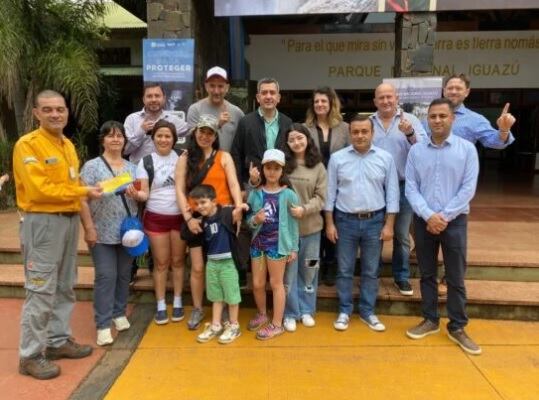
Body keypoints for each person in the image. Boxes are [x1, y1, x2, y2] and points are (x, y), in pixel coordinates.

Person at [13, 90, 102, 380]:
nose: (55, 115)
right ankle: (30, 355)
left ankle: (56, 341)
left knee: (65, 284)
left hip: (67, 222)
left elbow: (70, 188)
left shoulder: (66, 146)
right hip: (42, 224)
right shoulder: (28, 145)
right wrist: (83, 192)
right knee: (40, 289)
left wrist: (87, 223)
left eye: (60, 109)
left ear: (67, 112)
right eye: (48, 110)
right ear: (36, 113)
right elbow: (39, 190)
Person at [405, 98, 481, 355]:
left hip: (455, 221)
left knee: (456, 276)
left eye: (442, 116)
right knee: (426, 273)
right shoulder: (416, 151)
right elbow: (411, 187)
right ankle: (430, 319)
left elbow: (468, 189)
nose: (437, 120)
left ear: (453, 119)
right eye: (433, 116)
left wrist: (443, 217)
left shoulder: (467, 149)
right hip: (424, 221)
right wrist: (428, 215)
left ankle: (458, 326)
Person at [437, 73, 516, 295]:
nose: (453, 91)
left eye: (458, 88)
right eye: (450, 87)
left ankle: (449, 278)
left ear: (467, 92)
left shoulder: (474, 119)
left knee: (454, 238)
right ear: (443, 91)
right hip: (429, 184)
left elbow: (496, 142)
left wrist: (503, 130)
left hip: (457, 187)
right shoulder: (431, 115)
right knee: (425, 230)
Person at [325, 115, 399, 332]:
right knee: (345, 269)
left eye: (364, 131)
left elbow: (392, 193)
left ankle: (367, 312)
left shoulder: (385, 158)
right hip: (345, 221)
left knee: (370, 270)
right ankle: (344, 311)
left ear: (372, 133)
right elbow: (330, 193)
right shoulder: (337, 159)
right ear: (350, 133)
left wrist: (389, 225)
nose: (359, 135)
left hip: (375, 221)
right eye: (355, 132)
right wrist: (329, 223)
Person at [176, 114, 244, 330]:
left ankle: (221, 305)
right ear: (195, 132)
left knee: (222, 265)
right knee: (197, 267)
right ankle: (197, 307)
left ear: (215, 135)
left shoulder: (223, 157)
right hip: (196, 217)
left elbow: (233, 184)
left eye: (209, 132)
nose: (205, 136)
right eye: (201, 131)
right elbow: (178, 189)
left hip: (221, 216)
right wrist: (188, 218)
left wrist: (239, 208)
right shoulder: (185, 157)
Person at [230, 77, 293, 294]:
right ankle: (244, 272)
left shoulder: (287, 122)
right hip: (252, 186)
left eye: (272, 93)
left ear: (278, 97)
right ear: (257, 97)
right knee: (249, 228)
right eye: (263, 92)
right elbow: (236, 154)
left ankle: (274, 277)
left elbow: (291, 155)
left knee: (276, 226)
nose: (268, 96)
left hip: (278, 186)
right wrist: (239, 185)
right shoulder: (246, 122)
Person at [79, 121, 138, 346]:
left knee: (124, 274)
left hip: (127, 232)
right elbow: (82, 198)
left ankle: (119, 312)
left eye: (120, 136)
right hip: (101, 231)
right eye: (111, 136)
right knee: (106, 276)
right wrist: (88, 228)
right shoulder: (92, 166)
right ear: (102, 140)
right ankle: (103, 324)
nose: (116, 140)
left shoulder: (132, 168)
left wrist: (137, 194)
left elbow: (141, 196)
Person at [371, 83, 428, 296]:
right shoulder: (369, 123)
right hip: (375, 187)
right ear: (375, 101)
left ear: (396, 99)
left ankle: (401, 277)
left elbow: (423, 150)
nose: (386, 101)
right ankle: (372, 275)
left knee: (401, 234)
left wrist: (410, 133)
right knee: (374, 233)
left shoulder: (410, 121)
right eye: (381, 98)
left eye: (389, 97)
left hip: (403, 186)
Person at [129, 120, 185, 325]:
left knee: (178, 262)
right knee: (161, 263)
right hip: (155, 217)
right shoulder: (146, 161)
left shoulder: (182, 157)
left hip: (180, 217)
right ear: (153, 139)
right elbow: (144, 192)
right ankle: (161, 304)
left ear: (174, 139)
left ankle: (178, 301)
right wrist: (137, 195)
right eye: (159, 136)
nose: (163, 139)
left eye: (167, 136)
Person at [247, 149, 299, 340]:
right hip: (258, 244)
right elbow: (248, 220)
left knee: (276, 283)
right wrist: (255, 220)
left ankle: (277, 324)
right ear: (262, 169)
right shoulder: (256, 193)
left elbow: (294, 224)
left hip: (278, 246)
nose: (272, 172)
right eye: (268, 167)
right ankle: (262, 313)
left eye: (276, 168)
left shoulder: (289, 195)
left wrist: (293, 248)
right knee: (257, 283)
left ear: (282, 171)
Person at [282, 124, 327, 331]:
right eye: (292, 140)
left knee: (310, 269)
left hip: (312, 230)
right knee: (289, 273)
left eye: (300, 138)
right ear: (287, 143)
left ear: (308, 139)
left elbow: (322, 197)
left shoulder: (318, 166)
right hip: (288, 233)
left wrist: (305, 209)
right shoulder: (282, 165)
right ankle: (291, 312)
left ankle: (307, 310)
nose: (296, 142)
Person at [303, 86, 349, 287]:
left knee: (332, 229)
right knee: (315, 230)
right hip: (313, 187)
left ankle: (331, 266)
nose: (320, 105)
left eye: (324, 101)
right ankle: (315, 267)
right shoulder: (305, 128)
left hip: (338, 186)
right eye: (316, 102)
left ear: (332, 104)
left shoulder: (345, 128)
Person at [190, 184, 246, 344]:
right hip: (212, 263)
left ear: (214, 201)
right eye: (196, 204)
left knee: (232, 296)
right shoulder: (204, 220)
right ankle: (216, 325)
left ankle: (234, 326)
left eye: (203, 202)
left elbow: (236, 214)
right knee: (216, 297)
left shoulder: (226, 213)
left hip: (228, 262)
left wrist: (241, 206)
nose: (199, 206)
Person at [124, 83, 189, 164]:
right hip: (136, 170)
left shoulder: (173, 120)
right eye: (149, 96)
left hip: (165, 171)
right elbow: (125, 150)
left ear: (164, 98)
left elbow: (193, 130)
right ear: (143, 99)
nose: (153, 99)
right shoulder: (132, 119)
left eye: (157, 96)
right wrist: (141, 132)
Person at [186, 66, 245, 152]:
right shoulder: (195, 109)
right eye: (212, 86)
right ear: (206, 86)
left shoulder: (237, 113)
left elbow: (242, 143)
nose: (216, 91)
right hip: (202, 163)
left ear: (227, 88)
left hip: (227, 163)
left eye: (220, 86)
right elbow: (192, 140)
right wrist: (216, 124)